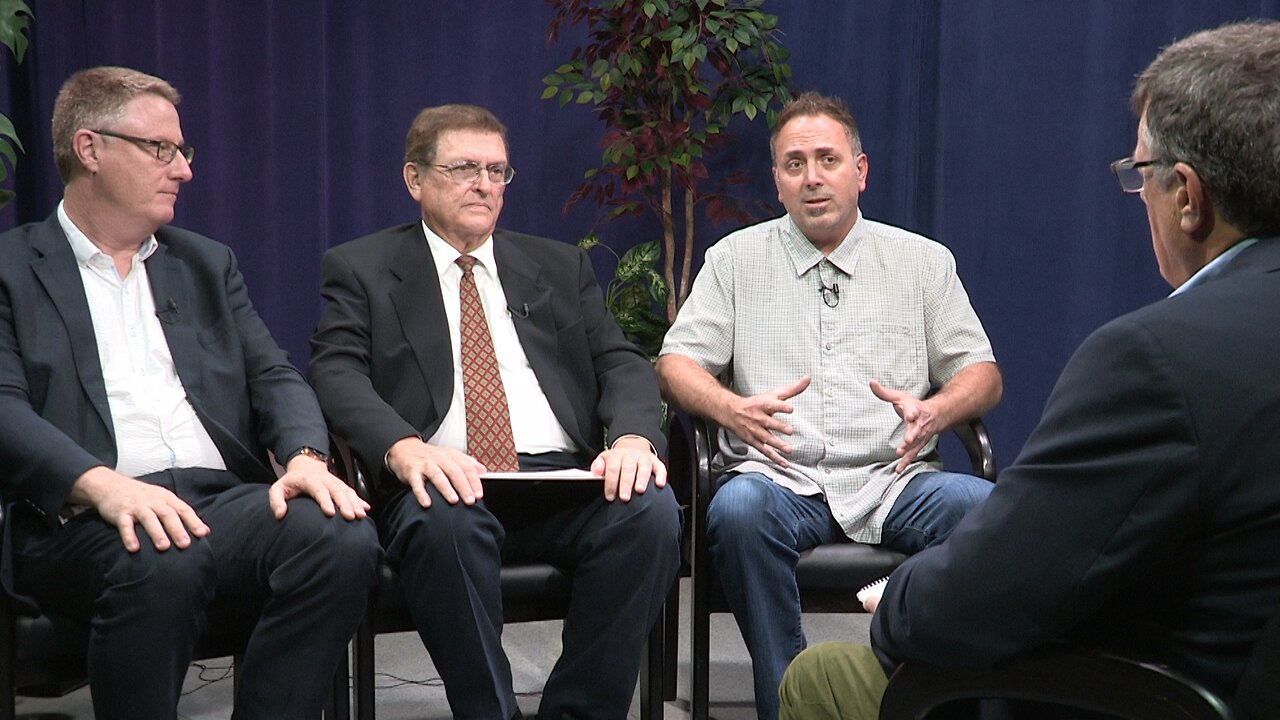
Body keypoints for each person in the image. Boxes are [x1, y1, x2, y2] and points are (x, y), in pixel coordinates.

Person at [779, 20, 1280, 720]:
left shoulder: (1155, 361)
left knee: (827, 672)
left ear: (1188, 196)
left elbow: (972, 604)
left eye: (1140, 175)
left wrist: (899, 595)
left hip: (1147, 693)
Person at [0, 67, 380, 720]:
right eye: (161, 150)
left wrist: (305, 462)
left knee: (339, 536)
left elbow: (276, 377)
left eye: (183, 152)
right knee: (159, 555)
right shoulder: (12, 268)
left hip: (216, 502)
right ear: (90, 149)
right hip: (79, 515)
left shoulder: (205, 262)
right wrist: (102, 484)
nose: (183, 170)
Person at [308, 103, 682, 720]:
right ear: (415, 179)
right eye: (464, 169)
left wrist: (636, 439)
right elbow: (334, 371)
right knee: (442, 525)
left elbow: (622, 363)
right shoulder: (363, 268)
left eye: (498, 171)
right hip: (445, 480)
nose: (485, 185)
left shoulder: (558, 266)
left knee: (649, 513)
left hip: (562, 479)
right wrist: (403, 446)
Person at [656, 90, 1002, 719]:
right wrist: (730, 409)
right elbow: (675, 365)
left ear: (860, 172)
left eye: (827, 160)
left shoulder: (922, 262)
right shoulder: (734, 261)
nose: (812, 177)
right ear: (778, 182)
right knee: (736, 509)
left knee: (985, 508)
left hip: (894, 478)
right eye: (794, 164)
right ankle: (790, 699)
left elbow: (981, 374)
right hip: (780, 477)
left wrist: (940, 410)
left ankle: (923, 697)